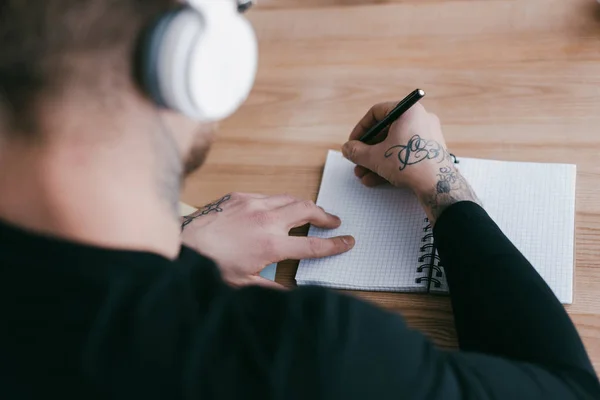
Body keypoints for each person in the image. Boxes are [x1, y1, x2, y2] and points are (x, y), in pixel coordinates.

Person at [0, 1, 598, 399]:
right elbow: (567, 387)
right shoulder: (300, 359)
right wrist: (441, 183)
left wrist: (183, 253)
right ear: (193, 58)